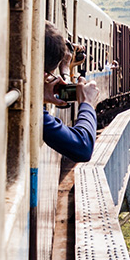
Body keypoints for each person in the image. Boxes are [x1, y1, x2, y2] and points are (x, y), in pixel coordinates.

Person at [43, 21, 99, 162]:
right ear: (44, 75)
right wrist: (87, 103)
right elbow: (83, 147)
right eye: (50, 75)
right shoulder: (34, 112)